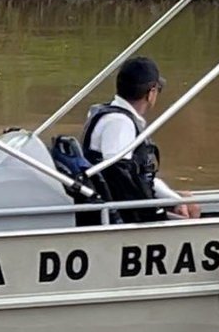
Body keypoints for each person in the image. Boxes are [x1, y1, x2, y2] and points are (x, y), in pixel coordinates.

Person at [80, 56, 198, 222]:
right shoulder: (120, 123)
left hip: (119, 203)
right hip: (120, 214)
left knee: (188, 200)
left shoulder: (108, 114)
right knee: (190, 219)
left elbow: (136, 177)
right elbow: (119, 180)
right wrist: (156, 211)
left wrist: (174, 199)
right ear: (150, 93)